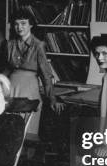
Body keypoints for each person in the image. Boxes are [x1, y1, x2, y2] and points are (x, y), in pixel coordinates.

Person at [6, 10, 64, 138]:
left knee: (26, 131)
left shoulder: (38, 45)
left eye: (23, 23)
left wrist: (52, 98)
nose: (19, 27)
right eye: (16, 24)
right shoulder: (9, 44)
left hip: (29, 88)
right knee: (8, 131)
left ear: (31, 25)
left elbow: (46, 74)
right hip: (11, 88)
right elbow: (5, 70)